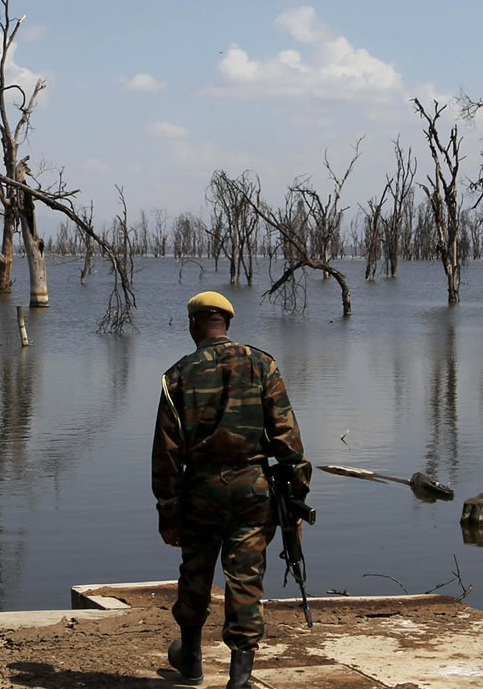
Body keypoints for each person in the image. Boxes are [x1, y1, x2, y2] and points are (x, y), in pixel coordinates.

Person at [152, 290, 310, 689]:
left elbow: (167, 453)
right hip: (254, 490)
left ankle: (190, 660)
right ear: (227, 323)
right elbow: (288, 441)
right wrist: (295, 500)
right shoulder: (262, 364)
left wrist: (168, 511)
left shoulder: (177, 375)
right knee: (245, 578)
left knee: (195, 571)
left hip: (201, 489)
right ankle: (239, 681)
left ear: (193, 324)